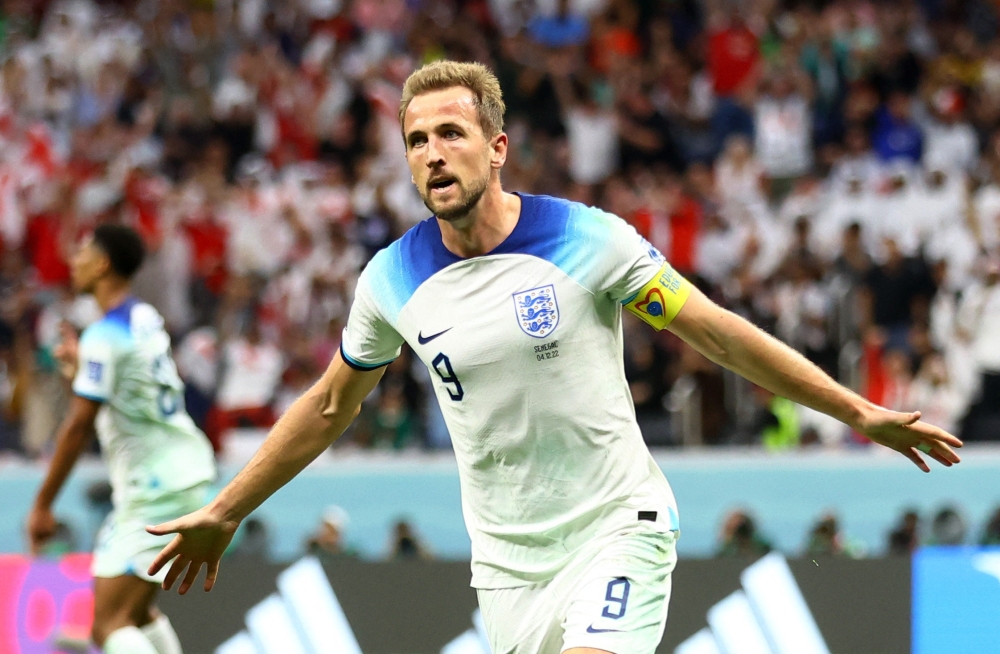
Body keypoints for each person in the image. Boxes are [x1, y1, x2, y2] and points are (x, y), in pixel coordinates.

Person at [147, 61, 962, 654]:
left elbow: (712, 330)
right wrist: (226, 510)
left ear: (497, 146)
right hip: (505, 569)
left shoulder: (585, 239)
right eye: (417, 139)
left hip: (618, 527)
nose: (433, 154)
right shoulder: (391, 278)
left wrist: (855, 409)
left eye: (452, 135)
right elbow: (329, 406)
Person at [26, 225, 216, 654]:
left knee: (107, 625)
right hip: (185, 471)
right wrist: (84, 372)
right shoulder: (144, 318)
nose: (74, 260)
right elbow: (132, 390)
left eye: (83, 252)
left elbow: (76, 428)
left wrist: (41, 505)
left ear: (104, 263)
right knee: (137, 614)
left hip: (151, 486)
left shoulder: (102, 338)